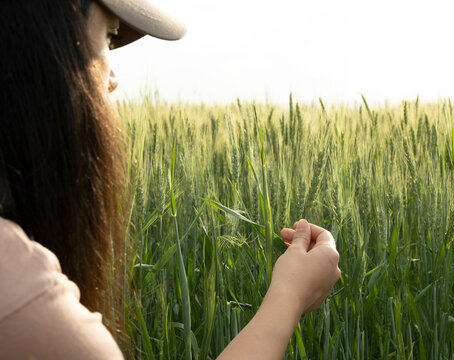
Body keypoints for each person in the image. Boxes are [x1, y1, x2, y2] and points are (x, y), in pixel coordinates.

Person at [0, 0, 341, 359]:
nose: (114, 79)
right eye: (109, 36)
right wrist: (288, 296)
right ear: (33, 45)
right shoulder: (25, 300)